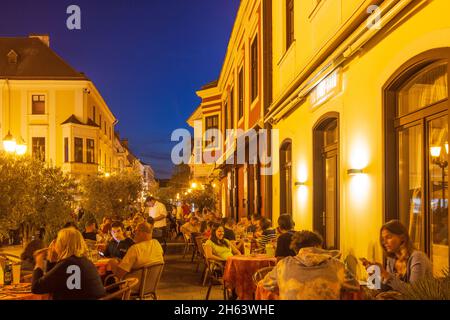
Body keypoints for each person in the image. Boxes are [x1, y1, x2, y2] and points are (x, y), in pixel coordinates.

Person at [262, 230, 346, 300]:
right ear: (317, 246)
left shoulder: (284, 265)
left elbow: (266, 283)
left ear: (296, 249)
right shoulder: (337, 265)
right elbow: (354, 286)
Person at [32, 227, 106, 300]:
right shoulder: (84, 261)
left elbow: (36, 287)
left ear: (62, 244)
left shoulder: (67, 264)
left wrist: (39, 262)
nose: (55, 243)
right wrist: (52, 260)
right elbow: (50, 283)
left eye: (57, 240)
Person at [360, 219, 433, 292]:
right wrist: (374, 274)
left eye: (388, 237)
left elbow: (414, 292)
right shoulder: (391, 260)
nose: (384, 242)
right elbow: (386, 288)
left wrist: (386, 274)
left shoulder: (417, 257)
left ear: (402, 237)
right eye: (383, 239)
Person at [108, 222, 164, 292]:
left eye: (136, 231)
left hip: (131, 287)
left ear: (141, 232)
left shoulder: (135, 249)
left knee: (108, 280)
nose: (134, 234)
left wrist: (113, 263)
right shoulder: (157, 244)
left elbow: (119, 274)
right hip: (150, 286)